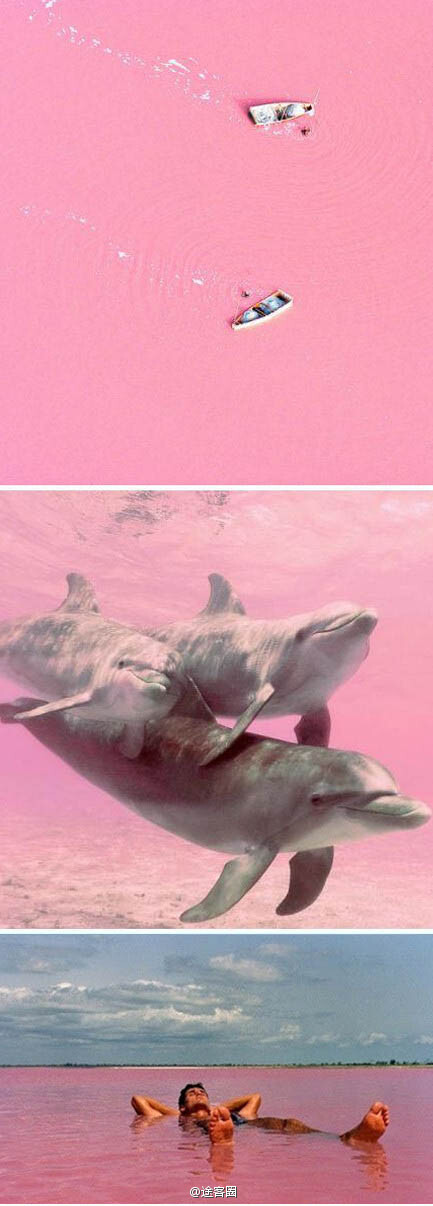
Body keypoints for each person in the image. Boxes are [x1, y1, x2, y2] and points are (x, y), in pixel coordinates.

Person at [131, 1082, 390, 1146]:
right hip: (206, 1128)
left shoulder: (219, 1110)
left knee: (288, 1123)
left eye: (202, 1092)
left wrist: (216, 1108)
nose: (199, 1094)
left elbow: (254, 1097)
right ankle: (222, 1141)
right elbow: (138, 1099)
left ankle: (348, 1138)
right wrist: (183, 1111)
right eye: (192, 1094)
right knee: (213, 1131)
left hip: (245, 1126)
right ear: (183, 1105)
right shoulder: (178, 1117)